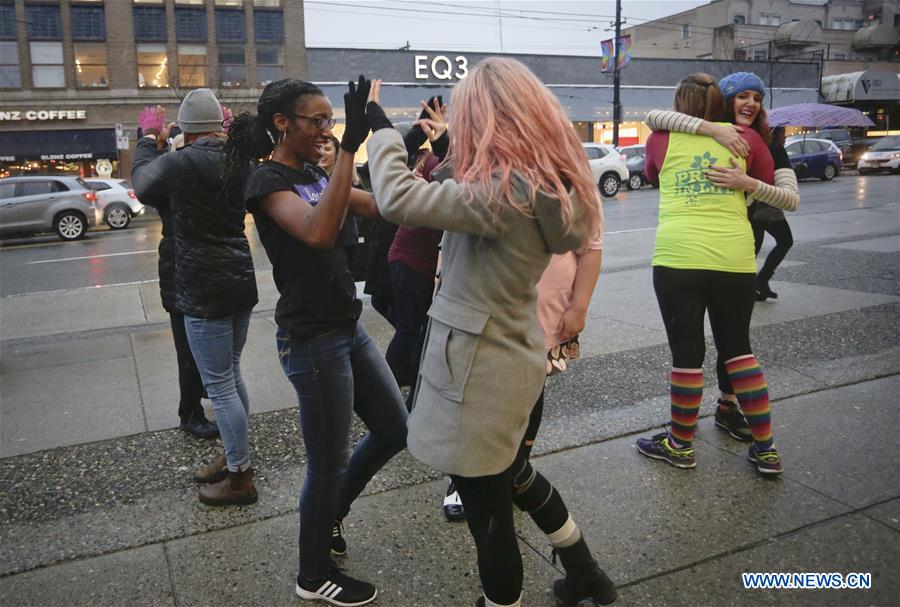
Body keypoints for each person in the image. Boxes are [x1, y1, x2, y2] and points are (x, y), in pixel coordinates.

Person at [365, 58, 612, 607]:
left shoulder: (505, 193)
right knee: (516, 475)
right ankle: (586, 572)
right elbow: (467, 188)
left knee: (489, 513)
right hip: (510, 357)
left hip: (477, 375)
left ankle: (503, 602)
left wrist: (380, 128)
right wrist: (451, 145)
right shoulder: (537, 187)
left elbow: (399, 198)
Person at [223, 77, 408, 607]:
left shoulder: (309, 172)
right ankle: (312, 574)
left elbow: (376, 207)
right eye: (318, 119)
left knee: (395, 429)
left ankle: (331, 515)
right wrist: (348, 147)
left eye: (332, 120)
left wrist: (419, 166)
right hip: (312, 340)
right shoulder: (266, 181)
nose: (326, 128)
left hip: (347, 327)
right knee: (326, 464)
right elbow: (317, 232)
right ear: (283, 122)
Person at [635, 73, 784, 476]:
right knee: (738, 350)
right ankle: (766, 449)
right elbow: (768, 183)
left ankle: (681, 445)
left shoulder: (660, 138)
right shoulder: (746, 139)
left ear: (679, 103)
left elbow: (651, 174)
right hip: (734, 258)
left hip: (677, 257)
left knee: (686, 354)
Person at [133, 91, 259, 507]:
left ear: (185, 128)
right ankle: (235, 455)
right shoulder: (239, 158)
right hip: (239, 279)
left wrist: (149, 140)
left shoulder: (182, 161)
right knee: (231, 374)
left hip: (204, 288)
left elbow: (141, 184)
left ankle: (240, 478)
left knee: (219, 384)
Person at [132, 105, 218, 440]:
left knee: (192, 347)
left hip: (185, 272)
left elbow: (143, 176)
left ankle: (195, 406)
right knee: (194, 348)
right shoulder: (204, 168)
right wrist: (221, 127)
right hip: (192, 273)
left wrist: (150, 138)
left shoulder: (177, 173)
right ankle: (192, 409)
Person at [318, 134, 361, 269]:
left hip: (346, 238)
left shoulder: (347, 174)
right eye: (319, 148)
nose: (322, 153)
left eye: (328, 149)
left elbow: (361, 201)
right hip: (322, 236)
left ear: (336, 154)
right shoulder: (310, 176)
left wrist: (356, 181)